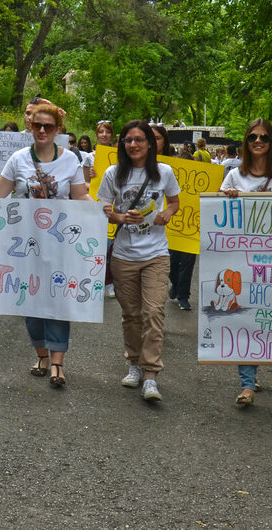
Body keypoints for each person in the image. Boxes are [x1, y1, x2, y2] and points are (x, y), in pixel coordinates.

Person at [0, 101, 90, 387]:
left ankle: (57, 363)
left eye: (48, 126)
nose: (41, 130)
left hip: (59, 244)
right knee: (30, 300)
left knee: (58, 302)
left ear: (57, 129)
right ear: (30, 126)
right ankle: (40, 353)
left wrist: (102, 211)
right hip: (25, 244)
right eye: (37, 125)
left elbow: (80, 197)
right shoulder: (18, 159)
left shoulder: (70, 161)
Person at [98, 120, 181, 402]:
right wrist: (120, 217)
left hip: (156, 253)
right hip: (124, 255)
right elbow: (104, 207)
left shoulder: (164, 172)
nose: (133, 144)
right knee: (132, 315)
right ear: (123, 144)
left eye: (139, 139)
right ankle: (133, 364)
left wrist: (167, 214)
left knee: (154, 313)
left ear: (150, 143)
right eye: (128, 140)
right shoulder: (113, 173)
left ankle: (150, 375)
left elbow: (174, 202)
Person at [221, 118, 272, 405]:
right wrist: (225, 196)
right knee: (246, 315)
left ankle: (253, 365)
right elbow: (220, 215)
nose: (258, 141)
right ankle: (246, 384)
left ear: (271, 142)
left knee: (266, 317)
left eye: (264, 137)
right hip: (241, 258)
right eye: (253, 136)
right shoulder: (233, 176)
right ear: (246, 140)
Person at [152, 125, 195, 312]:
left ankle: (183, 295)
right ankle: (176, 284)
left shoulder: (175, 164)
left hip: (187, 218)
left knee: (188, 258)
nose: (153, 142)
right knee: (171, 260)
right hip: (159, 224)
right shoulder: (135, 162)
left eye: (158, 138)